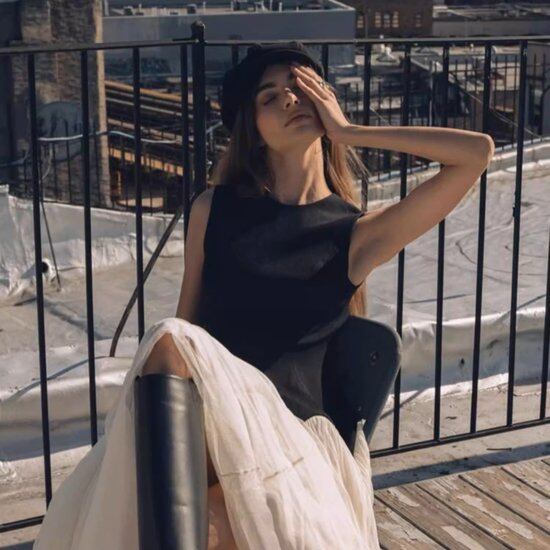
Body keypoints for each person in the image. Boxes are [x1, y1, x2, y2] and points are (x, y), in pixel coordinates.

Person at [33, 41, 494, 549]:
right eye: (270, 97)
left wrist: (350, 131)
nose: (291, 100)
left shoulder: (353, 234)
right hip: (208, 426)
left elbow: (475, 155)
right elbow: (186, 334)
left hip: (289, 441)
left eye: (303, 89)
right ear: (252, 127)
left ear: (325, 100)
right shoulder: (213, 209)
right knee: (172, 360)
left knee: (186, 521)